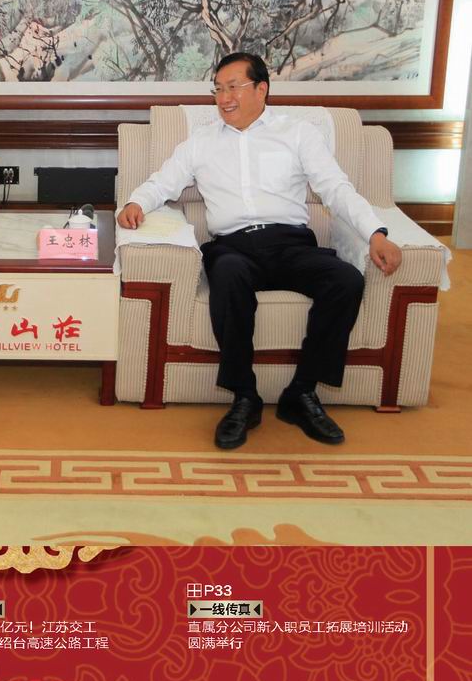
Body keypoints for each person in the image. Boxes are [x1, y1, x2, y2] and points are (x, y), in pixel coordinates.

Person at [117, 52, 402, 449]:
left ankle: (301, 393)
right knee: (228, 274)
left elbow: (336, 188)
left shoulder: (297, 133)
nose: (224, 98)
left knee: (346, 280)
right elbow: (161, 182)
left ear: (261, 89)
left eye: (233, 87)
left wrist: (375, 233)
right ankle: (244, 397)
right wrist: (135, 203)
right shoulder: (201, 142)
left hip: (291, 244)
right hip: (233, 247)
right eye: (218, 89)